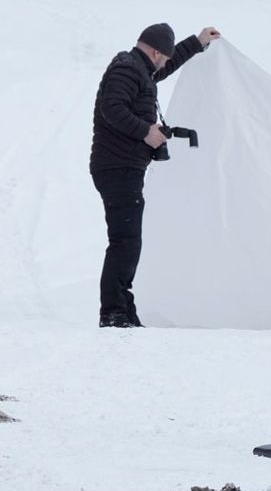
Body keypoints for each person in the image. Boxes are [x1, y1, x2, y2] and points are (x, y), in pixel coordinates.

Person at [89, 22, 220, 328]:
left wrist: (198, 42)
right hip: (117, 167)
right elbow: (113, 108)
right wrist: (146, 131)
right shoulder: (126, 69)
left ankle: (123, 309)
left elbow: (165, 68)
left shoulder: (138, 68)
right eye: (163, 56)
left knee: (126, 240)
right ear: (153, 51)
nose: (164, 63)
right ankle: (114, 313)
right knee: (125, 241)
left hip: (123, 167)